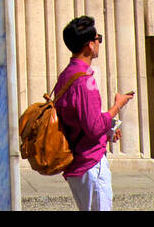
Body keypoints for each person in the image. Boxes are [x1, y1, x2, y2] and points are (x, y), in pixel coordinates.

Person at [52, 15, 135, 212]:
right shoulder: (85, 80)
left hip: (77, 164)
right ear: (90, 45)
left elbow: (80, 120)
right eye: (99, 39)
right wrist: (117, 105)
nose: (99, 43)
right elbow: (94, 126)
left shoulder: (66, 75)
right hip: (90, 164)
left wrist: (107, 132)